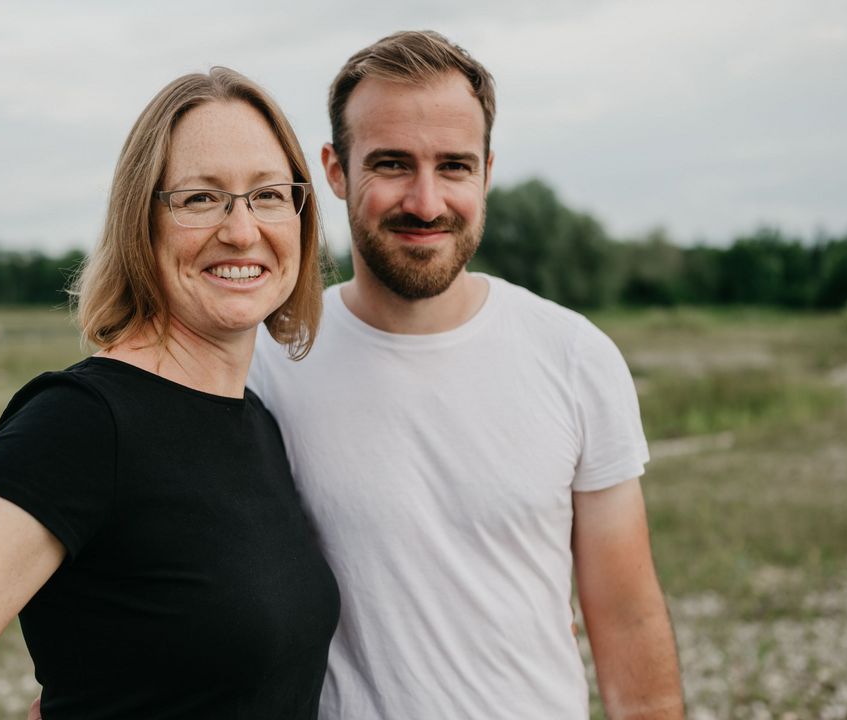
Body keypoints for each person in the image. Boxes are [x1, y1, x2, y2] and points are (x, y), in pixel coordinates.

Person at [0, 67, 340, 720]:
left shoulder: (258, 423)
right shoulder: (84, 426)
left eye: (269, 195)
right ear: (142, 222)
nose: (242, 231)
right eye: (200, 198)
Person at [247, 30, 685, 719]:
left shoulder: (574, 357)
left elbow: (627, 618)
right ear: (335, 170)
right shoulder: (268, 364)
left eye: (453, 166)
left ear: (486, 170)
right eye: (391, 164)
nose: (426, 202)